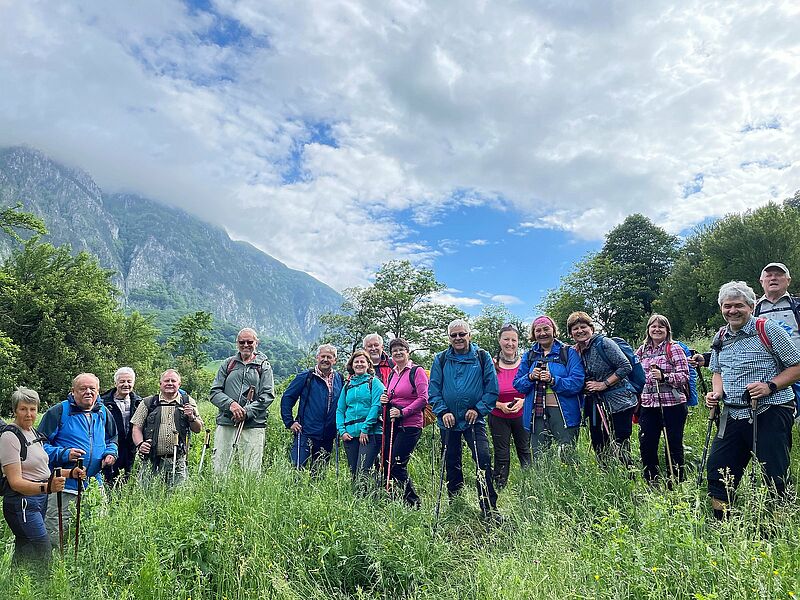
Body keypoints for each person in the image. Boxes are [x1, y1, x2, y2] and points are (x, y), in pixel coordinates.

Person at [705, 281, 800, 518]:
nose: (732, 311)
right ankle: (722, 526)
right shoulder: (721, 335)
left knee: (774, 472)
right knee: (718, 468)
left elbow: (797, 366)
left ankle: (781, 523)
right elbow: (717, 370)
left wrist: (770, 386)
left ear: (750, 306)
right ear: (721, 309)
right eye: (727, 306)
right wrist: (717, 392)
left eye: (739, 305)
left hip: (771, 410)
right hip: (732, 413)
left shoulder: (768, 330)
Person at [429, 319, 500, 520]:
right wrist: (443, 412)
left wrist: (478, 409)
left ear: (470, 335)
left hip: (473, 420)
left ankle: (489, 508)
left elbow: (492, 389)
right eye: (454, 335)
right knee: (452, 462)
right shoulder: (441, 359)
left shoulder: (482, 357)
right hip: (448, 421)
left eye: (462, 334)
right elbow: (433, 390)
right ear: (449, 338)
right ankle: (456, 504)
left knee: (483, 460)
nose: (458, 338)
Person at [39, 373, 117, 548]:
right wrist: (64, 454)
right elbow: (39, 447)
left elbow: (112, 439)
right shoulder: (59, 412)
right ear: (73, 391)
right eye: (83, 389)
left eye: (92, 389)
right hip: (64, 487)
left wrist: (110, 453)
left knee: (95, 534)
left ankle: (87, 569)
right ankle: (56, 570)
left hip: (94, 485)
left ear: (98, 392)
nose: (88, 392)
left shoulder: (103, 412)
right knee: (58, 536)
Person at [0, 388, 75, 565]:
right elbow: (15, 482)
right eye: (23, 409)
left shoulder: (32, 433)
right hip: (22, 502)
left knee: (25, 549)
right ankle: (47, 589)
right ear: (14, 410)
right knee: (43, 551)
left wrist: (70, 473)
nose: (28, 414)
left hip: (38, 500)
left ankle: (14, 587)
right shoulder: (10, 437)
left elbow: (42, 472)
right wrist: (48, 487)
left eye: (32, 409)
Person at [567, 311, 637, 468]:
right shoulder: (575, 352)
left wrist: (604, 384)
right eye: (575, 328)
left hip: (620, 402)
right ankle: (608, 480)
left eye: (583, 326)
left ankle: (628, 480)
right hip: (595, 405)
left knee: (620, 444)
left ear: (591, 328)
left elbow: (625, 366)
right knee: (599, 445)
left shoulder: (604, 343)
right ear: (571, 333)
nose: (580, 331)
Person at [514, 316, 584, 463]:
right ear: (534, 334)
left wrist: (553, 380)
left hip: (564, 413)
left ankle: (571, 484)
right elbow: (518, 385)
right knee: (541, 459)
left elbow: (577, 382)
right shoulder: (529, 355)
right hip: (536, 413)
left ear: (553, 330)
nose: (542, 333)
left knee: (568, 455)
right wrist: (530, 377)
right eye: (538, 330)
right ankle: (543, 486)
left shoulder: (568, 352)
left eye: (546, 329)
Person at [634, 314, 690, 484]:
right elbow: (635, 373)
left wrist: (664, 376)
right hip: (648, 404)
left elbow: (684, 376)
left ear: (667, 330)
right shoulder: (641, 350)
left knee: (672, 445)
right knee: (646, 444)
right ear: (648, 329)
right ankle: (652, 482)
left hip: (672, 404)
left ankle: (677, 482)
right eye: (653, 326)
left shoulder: (674, 349)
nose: (657, 330)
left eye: (661, 327)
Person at [209, 328, 275, 473]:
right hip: (226, 422)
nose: (246, 345)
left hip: (253, 425)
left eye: (249, 342)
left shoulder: (264, 366)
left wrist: (247, 412)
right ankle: (219, 494)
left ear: (256, 343)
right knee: (220, 466)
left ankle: (249, 496)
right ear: (236, 343)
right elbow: (214, 392)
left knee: (251, 470)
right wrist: (231, 405)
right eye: (242, 342)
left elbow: (268, 395)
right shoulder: (228, 364)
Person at [131, 369, 203, 486]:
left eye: (173, 381)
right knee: (148, 496)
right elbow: (136, 427)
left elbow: (198, 429)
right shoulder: (148, 402)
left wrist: (191, 416)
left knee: (178, 498)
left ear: (179, 384)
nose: (170, 383)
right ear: (160, 384)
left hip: (177, 460)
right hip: (151, 460)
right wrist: (140, 444)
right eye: (166, 381)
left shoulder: (188, 401)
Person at [381, 337, 429, 506]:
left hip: (410, 425)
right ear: (391, 355)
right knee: (387, 461)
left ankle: (413, 502)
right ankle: (395, 498)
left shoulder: (417, 372)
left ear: (408, 352)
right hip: (393, 423)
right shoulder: (393, 373)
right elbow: (392, 395)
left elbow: (424, 398)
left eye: (401, 349)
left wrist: (403, 412)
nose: (398, 352)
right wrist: (385, 398)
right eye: (394, 350)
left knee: (397, 464)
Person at [281, 344, 344, 469]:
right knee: (297, 469)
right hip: (305, 432)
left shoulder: (339, 378)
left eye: (329, 357)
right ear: (317, 357)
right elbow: (288, 397)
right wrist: (289, 422)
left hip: (327, 435)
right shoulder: (306, 376)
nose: (325, 359)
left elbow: (343, 405)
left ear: (334, 360)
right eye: (323, 356)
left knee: (319, 473)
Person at [486, 324, 530, 487]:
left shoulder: (525, 363)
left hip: (522, 415)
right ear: (500, 341)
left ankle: (531, 484)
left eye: (513, 340)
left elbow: (534, 388)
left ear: (518, 342)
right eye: (506, 339)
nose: (510, 343)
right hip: (498, 416)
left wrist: (523, 402)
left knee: (525, 450)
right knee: (501, 454)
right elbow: (483, 392)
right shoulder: (491, 365)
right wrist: (499, 405)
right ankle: (499, 487)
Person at [336, 349, 384, 488]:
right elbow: (340, 410)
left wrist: (365, 429)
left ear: (368, 365)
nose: (359, 364)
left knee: (363, 471)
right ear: (352, 365)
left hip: (370, 434)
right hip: (350, 435)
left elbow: (376, 406)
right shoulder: (347, 386)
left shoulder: (374, 383)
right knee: (354, 472)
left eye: (362, 361)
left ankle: (369, 502)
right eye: (356, 362)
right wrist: (342, 431)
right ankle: (357, 503)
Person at [100, 367, 142, 487]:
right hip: (109, 448)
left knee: (129, 482)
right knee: (109, 482)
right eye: (122, 381)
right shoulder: (103, 402)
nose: (126, 384)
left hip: (131, 449)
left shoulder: (139, 402)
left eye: (129, 381)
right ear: (115, 383)